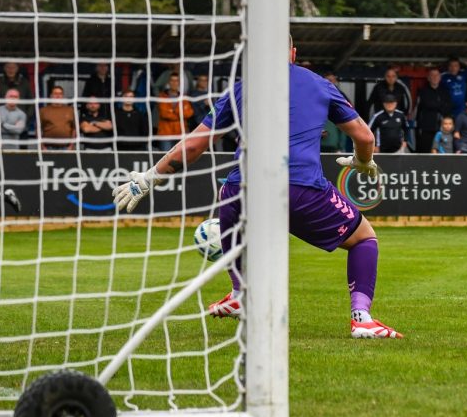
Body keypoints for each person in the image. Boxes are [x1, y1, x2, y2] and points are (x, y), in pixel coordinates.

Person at [111, 37, 402, 339]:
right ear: (293, 53)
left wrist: (149, 178)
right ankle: (362, 318)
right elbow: (365, 138)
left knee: (227, 192)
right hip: (300, 187)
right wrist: (363, 162)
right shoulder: (319, 84)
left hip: (243, 190)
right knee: (364, 239)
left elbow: (195, 144)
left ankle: (239, 292)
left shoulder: (240, 87)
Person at [411, 67, 452, 154]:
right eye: (432, 75)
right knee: (425, 152)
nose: (435, 77)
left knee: (441, 153)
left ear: (440, 77)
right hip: (426, 129)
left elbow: (447, 109)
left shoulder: (444, 92)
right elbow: (420, 108)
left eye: (437, 75)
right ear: (428, 78)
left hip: (441, 130)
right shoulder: (423, 91)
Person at [155, 73, 194, 151]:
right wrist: (180, 111)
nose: (174, 83)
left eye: (176, 81)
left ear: (179, 83)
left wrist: (173, 111)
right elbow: (165, 114)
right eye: (172, 80)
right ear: (168, 82)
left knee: (179, 159)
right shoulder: (162, 97)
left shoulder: (183, 97)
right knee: (165, 159)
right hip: (166, 133)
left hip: (180, 133)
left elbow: (189, 113)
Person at [38, 86, 77, 150]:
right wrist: (42, 146)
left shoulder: (70, 110)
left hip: (67, 148)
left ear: (63, 96)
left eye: (60, 94)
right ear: (51, 95)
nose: (58, 96)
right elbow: (38, 129)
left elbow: (74, 129)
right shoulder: (43, 110)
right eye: (55, 94)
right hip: (48, 148)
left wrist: (71, 145)